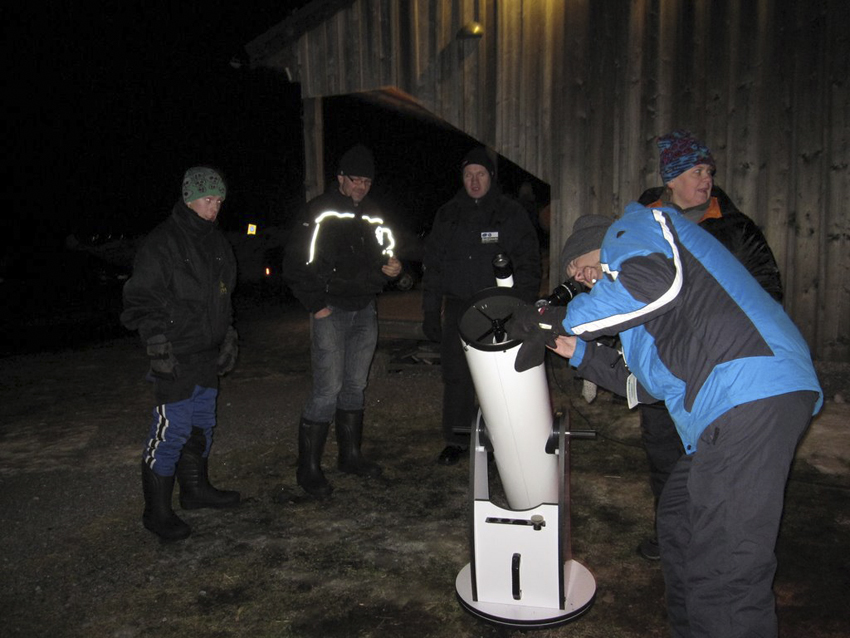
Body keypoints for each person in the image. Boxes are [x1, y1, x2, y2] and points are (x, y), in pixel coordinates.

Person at [514, 208, 822, 638]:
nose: (579, 277)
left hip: (748, 391)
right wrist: (577, 351)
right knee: (678, 518)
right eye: (573, 275)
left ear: (601, 243)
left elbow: (651, 284)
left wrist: (564, 318)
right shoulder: (646, 321)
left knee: (727, 571)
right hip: (736, 404)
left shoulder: (633, 229)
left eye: (579, 265)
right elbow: (648, 386)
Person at [632, 130, 784, 560]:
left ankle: (716, 541)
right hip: (663, 364)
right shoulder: (642, 224)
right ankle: (671, 536)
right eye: (697, 171)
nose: (706, 179)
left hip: (719, 368)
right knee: (664, 454)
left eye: (708, 171)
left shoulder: (735, 229)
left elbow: (768, 293)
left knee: (718, 457)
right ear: (672, 178)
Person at [121, 166, 241, 542]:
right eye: (207, 200)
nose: (214, 208)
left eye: (219, 201)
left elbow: (225, 294)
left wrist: (228, 334)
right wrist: (156, 342)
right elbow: (141, 298)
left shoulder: (217, 242)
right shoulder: (163, 242)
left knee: (203, 423)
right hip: (175, 353)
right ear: (189, 199)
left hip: (206, 353)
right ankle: (156, 512)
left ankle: (195, 491)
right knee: (170, 430)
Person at [282, 144, 401, 497]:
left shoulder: (374, 213)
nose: (361, 186)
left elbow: (387, 253)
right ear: (340, 178)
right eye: (355, 180)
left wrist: (393, 269)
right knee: (327, 389)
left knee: (355, 386)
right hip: (330, 311)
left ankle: (350, 457)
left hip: (365, 309)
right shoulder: (319, 211)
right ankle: (308, 468)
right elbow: (294, 263)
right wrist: (316, 304)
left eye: (367, 181)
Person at [422, 146, 541, 465]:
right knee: (457, 376)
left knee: (500, 380)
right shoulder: (448, 214)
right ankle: (457, 439)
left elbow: (529, 261)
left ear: (491, 177)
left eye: (481, 174)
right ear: (462, 178)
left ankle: (501, 440)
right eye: (468, 175)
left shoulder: (510, 213)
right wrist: (430, 311)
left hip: (499, 309)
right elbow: (433, 266)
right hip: (459, 308)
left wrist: (523, 305)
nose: (474, 181)